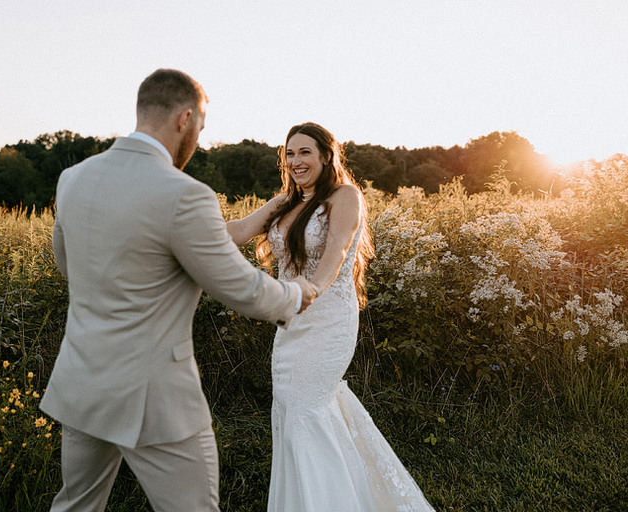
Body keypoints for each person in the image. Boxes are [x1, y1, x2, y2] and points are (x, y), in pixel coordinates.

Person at [40, 69, 316, 512]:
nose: (199, 141)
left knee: (75, 507)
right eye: (201, 129)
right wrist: (298, 294)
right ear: (185, 119)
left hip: (83, 380)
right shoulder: (184, 194)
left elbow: (70, 265)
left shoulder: (74, 179)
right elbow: (240, 288)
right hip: (156, 397)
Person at [227, 122, 435, 511]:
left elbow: (337, 253)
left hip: (326, 320)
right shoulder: (284, 203)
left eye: (305, 152)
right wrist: (176, 230)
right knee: (294, 413)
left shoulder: (345, 196)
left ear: (326, 155)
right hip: (290, 324)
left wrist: (309, 291)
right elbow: (237, 231)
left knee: (306, 411)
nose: (296, 161)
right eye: (289, 153)